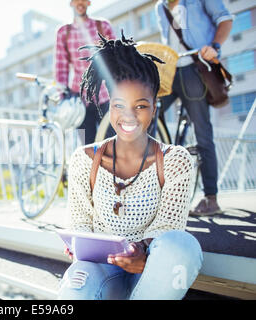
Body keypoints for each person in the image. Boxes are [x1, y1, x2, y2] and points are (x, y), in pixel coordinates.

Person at [57, 33, 203, 300]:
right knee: (74, 290)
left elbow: (168, 229)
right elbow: (78, 223)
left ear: (155, 107)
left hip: (151, 275)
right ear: (110, 105)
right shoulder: (83, 159)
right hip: (101, 271)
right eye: (119, 105)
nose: (129, 116)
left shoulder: (175, 160)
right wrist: (78, 245)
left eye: (141, 106)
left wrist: (143, 253)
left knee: (183, 246)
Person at [154, 0, 234, 216]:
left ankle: (211, 198)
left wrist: (214, 46)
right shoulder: (160, 7)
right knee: (149, 111)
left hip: (195, 68)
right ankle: (160, 171)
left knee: (202, 133)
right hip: (170, 72)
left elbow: (225, 19)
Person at [54, 0, 116, 145]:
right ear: (71, 3)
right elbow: (61, 67)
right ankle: (92, 168)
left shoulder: (103, 26)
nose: (80, 3)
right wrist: (63, 97)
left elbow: (116, 60)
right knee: (87, 147)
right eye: (76, 0)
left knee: (112, 143)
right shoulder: (64, 32)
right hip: (80, 100)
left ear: (89, 3)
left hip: (106, 96)